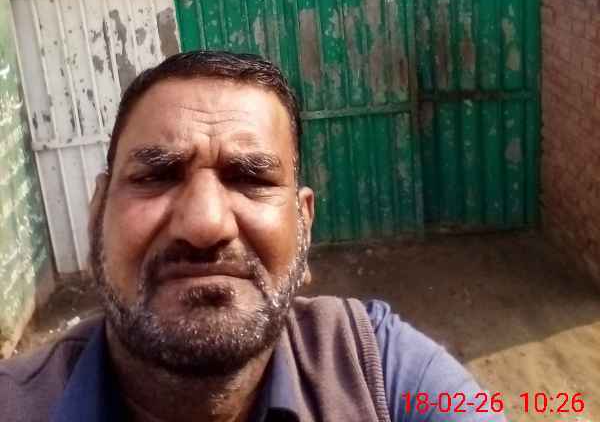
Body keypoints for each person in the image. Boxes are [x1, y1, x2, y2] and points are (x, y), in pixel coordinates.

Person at [0, 51, 507, 422]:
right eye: (157, 175)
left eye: (250, 178)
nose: (206, 224)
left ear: (304, 224)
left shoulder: (381, 373)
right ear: (97, 215)